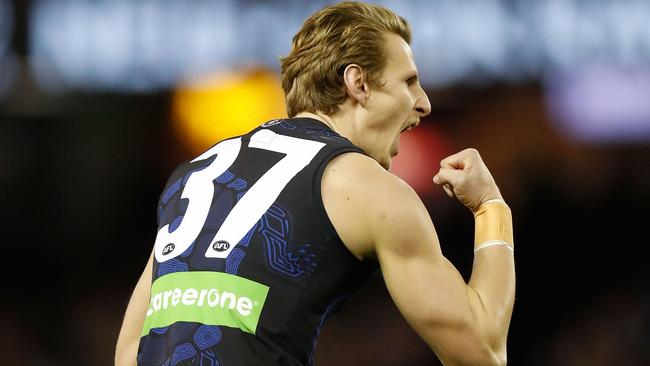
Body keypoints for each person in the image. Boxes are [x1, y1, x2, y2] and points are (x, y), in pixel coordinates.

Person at [115, 2, 515, 365]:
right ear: (357, 83)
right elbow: (481, 350)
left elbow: (131, 349)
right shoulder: (364, 185)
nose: (424, 102)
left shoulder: (195, 172)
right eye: (408, 82)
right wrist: (491, 207)